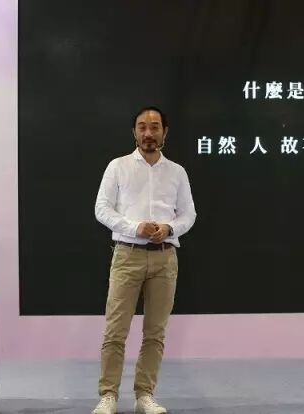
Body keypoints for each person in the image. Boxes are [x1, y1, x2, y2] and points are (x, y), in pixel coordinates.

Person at [92, 106, 196, 414]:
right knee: (115, 330)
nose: (148, 133)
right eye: (142, 127)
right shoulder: (118, 167)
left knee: (155, 333)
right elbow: (102, 209)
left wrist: (169, 228)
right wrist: (134, 227)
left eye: (154, 127)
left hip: (165, 259)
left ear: (165, 132)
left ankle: (144, 396)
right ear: (134, 132)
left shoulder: (177, 172)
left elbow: (189, 214)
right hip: (127, 255)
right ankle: (108, 395)